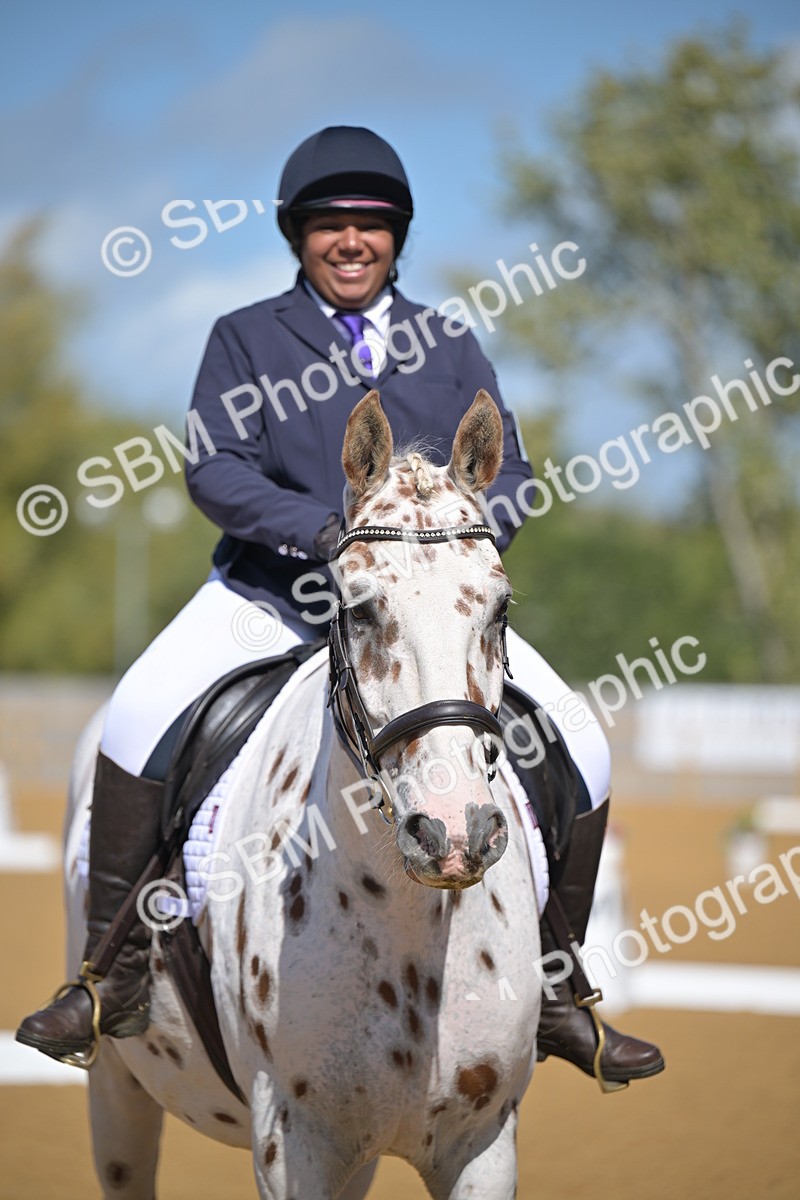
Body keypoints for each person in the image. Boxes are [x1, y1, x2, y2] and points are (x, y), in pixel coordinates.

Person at [17, 126, 663, 1087]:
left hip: (423, 613)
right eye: (329, 224)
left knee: (583, 737)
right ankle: (112, 975)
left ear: (396, 234)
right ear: (298, 235)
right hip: (272, 595)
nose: (350, 241)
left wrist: (465, 547)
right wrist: (322, 534)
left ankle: (561, 994)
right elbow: (217, 469)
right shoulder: (246, 334)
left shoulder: (449, 341)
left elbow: (509, 471)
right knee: (139, 711)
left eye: (369, 224)